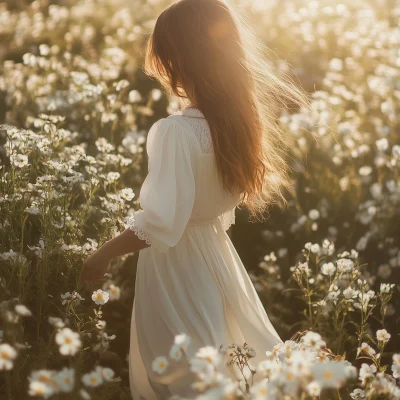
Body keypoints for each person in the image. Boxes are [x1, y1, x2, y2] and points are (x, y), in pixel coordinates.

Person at [80, 0, 309, 398]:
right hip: (217, 262)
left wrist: (100, 255)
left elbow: (160, 224)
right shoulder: (237, 124)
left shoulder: (176, 132)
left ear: (178, 61)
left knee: (184, 374)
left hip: (176, 271)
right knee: (222, 365)